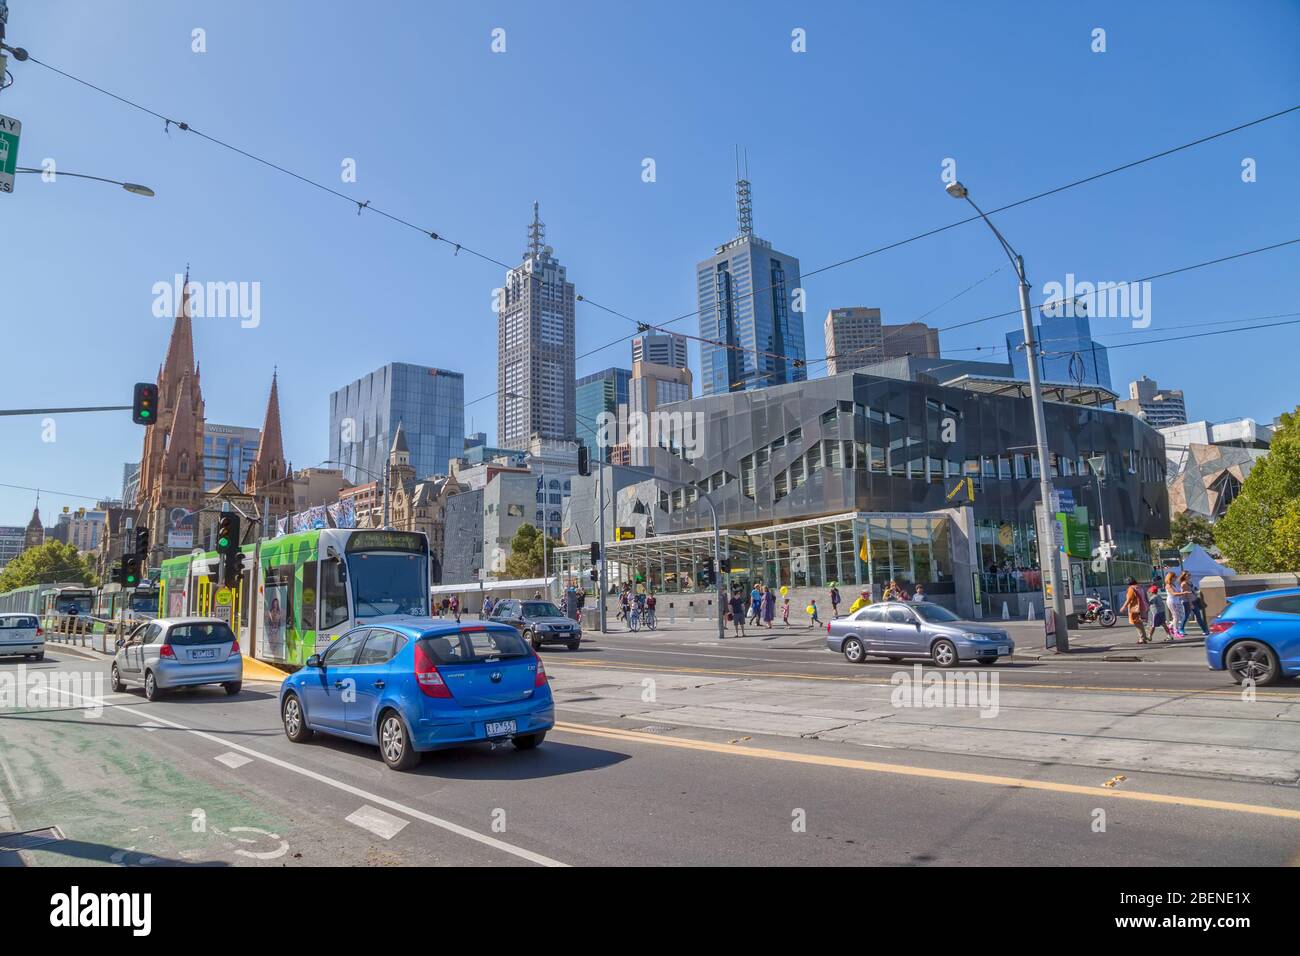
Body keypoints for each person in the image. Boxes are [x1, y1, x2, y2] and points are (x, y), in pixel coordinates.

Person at [1120, 577, 1149, 643]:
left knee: (1136, 622)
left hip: (1135, 608)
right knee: (1140, 622)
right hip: (1143, 606)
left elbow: (1129, 599)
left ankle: (1142, 638)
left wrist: (1124, 607)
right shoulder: (1140, 587)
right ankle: (1144, 637)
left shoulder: (1131, 588)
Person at [1164, 571, 1186, 639]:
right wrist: (1183, 593)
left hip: (1177, 601)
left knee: (1181, 616)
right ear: (1171, 578)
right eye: (1174, 577)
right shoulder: (1168, 585)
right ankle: (1176, 631)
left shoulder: (1174, 584)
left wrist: (1183, 575)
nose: (1175, 578)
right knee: (1176, 616)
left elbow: (1179, 580)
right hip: (1172, 601)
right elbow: (1173, 593)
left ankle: (1170, 627)